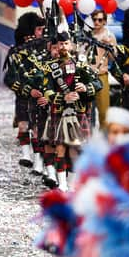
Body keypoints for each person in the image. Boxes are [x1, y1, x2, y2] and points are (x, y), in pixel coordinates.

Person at [43, 31, 101, 191]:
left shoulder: (81, 64)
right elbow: (46, 90)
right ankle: (61, 183)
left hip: (78, 111)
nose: (63, 47)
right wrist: (62, 97)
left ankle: (72, 182)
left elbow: (97, 84)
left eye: (66, 43)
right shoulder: (50, 67)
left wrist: (85, 88)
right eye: (60, 44)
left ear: (71, 45)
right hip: (60, 111)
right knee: (60, 147)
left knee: (76, 148)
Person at [4, 12, 45, 170]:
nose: (42, 32)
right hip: (24, 97)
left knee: (37, 130)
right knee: (23, 126)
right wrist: (27, 90)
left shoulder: (45, 50)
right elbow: (9, 80)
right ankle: (26, 155)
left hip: (41, 97)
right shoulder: (16, 53)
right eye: (39, 29)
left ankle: (39, 161)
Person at [89, 9, 116, 130]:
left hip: (101, 75)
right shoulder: (87, 35)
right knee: (88, 110)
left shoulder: (109, 36)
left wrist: (109, 46)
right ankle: (88, 138)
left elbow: (113, 58)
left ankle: (104, 138)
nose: (97, 22)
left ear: (104, 21)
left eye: (100, 19)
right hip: (88, 76)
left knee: (104, 110)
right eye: (94, 19)